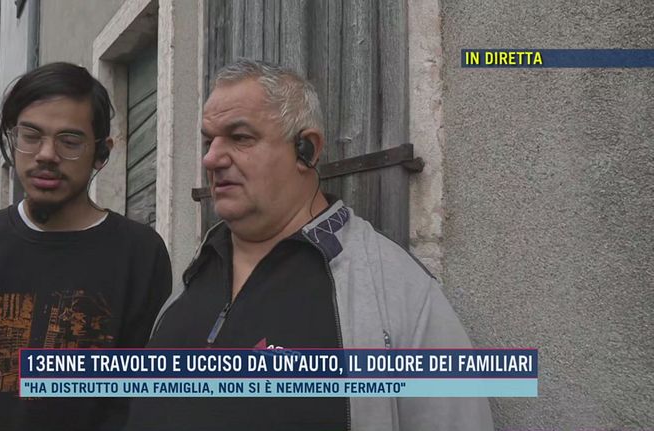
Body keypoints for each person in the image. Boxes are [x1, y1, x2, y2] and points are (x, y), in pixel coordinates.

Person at [133, 59, 493, 430]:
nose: (210, 158)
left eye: (240, 137)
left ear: (306, 149)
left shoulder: (398, 292)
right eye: (210, 141)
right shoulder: (197, 271)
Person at [0, 62, 172, 430]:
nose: (46, 154)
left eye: (69, 142)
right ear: (12, 139)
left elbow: (139, 398)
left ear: (101, 153)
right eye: (31, 135)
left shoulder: (140, 254)